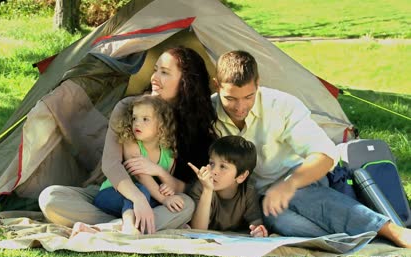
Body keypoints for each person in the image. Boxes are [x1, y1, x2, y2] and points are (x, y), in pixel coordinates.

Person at [211, 50, 411, 248]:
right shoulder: (207, 111)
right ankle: (354, 238)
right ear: (217, 85)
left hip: (302, 180)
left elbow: (324, 155)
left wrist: (289, 185)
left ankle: (391, 231)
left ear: (258, 83)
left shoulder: (281, 105)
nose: (240, 107)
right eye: (230, 99)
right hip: (263, 197)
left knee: (302, 197)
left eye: (248, 97)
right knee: (283, 222)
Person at [39, 46, 218, 234]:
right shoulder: (129, 108)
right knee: (50, 199)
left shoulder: (193, 125)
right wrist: (138, 199)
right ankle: (134, 225)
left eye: (164, 72)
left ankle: (112, 228)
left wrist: (159, 173)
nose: (154, 78)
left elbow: (185, 187)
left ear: (185, 82)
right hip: (114, 193)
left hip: (157, 200)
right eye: (155, 69)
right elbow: (111, 164)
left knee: (186, 205)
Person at [92, 95, 184, 234]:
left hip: (147, 200)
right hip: (111, 194)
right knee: (142, 190)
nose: (137, 123)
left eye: (145, 119)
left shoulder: (168, 154)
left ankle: (117, 225)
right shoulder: (132, 144)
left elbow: (167, 181)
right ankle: (130, 223)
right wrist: (165, 198)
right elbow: (142, 177)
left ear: (161, 125)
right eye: (135, 118)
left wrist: (167, 190)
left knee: (182, 203)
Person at [187, 135, 267, 237]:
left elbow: (255, 224)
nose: (214, 171)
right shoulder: (201, 187)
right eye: (211, 163)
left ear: (242, 176)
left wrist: (258, 231)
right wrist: (207, 190)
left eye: (223, 166)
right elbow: (198, 231)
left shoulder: (248, 191)